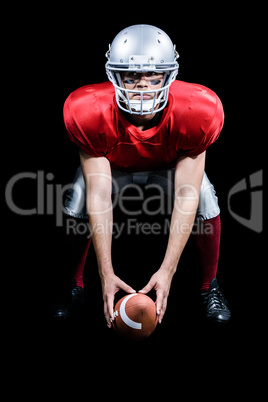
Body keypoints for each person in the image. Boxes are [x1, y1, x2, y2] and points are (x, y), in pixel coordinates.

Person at [58, 24, 231, 326]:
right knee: (79, 196)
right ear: (114, 77)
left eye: (153, 77)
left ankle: (209, 286)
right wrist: (106, 273)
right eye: (132, 77)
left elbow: (186, 195)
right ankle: (73, 284)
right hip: (113, 168)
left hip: (168, 169)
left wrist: (167, 270)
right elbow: (99, 192)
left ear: (169, 76)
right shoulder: (88, 111)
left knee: (204, 195)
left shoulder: (198, 111)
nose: (143, 87)